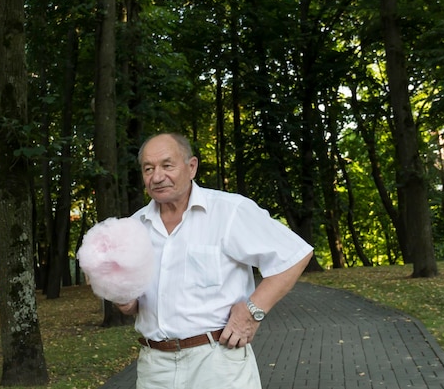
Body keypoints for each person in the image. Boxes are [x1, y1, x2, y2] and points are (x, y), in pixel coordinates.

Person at [116, 133, 313, 389]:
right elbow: (132, 307)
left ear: (191, 167)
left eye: (167, 165)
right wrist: (119, 293)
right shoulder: (133, 227)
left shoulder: (229, 211)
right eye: (148, 168)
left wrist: (253, 311)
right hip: (155, 367)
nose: (157, 176)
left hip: (217, 362)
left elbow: (294, 255)